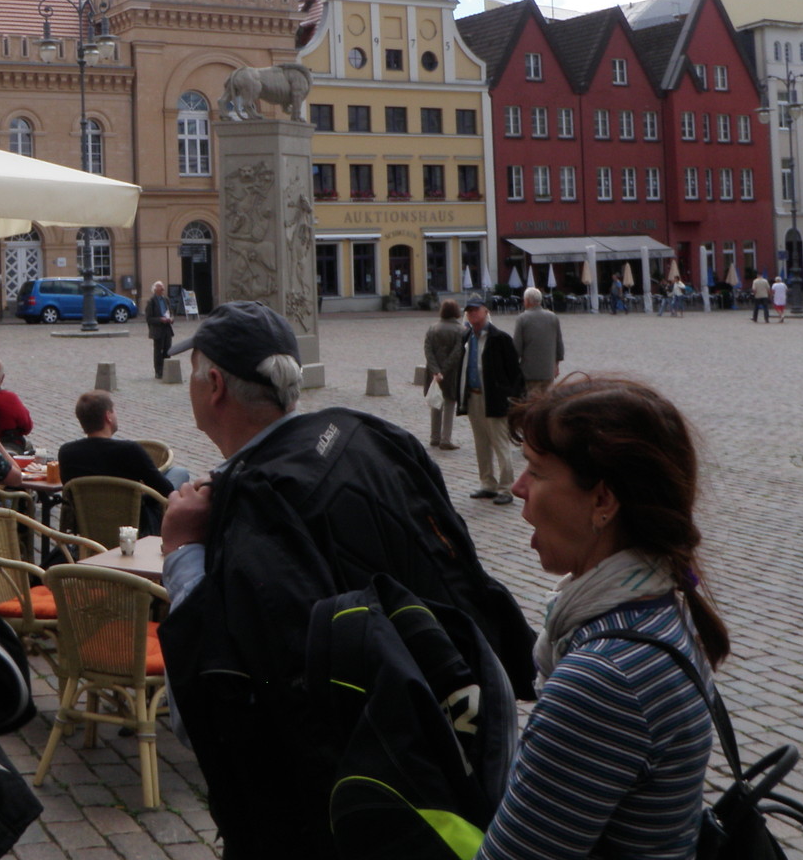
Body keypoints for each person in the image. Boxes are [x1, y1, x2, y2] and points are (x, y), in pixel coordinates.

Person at [157, 301, 535, 860]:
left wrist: (184, 552)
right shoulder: (372, 435)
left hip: (340, 809)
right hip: (452, 743)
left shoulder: (260, 505)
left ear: (214, 384)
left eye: (193, 372)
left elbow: (213, 705)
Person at [476, 377, 725, 860]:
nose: (518, 487)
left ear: (603, 501)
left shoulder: (604, 680)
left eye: (537, 471)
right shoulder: (663, 608)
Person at [57, 390, 183, 534]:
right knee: (180, 473)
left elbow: (70, 493)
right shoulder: (130, 451)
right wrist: (139, 494)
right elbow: (166, 491)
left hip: (88, 525)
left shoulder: (66, 452)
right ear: (108, 416)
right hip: (134, 527)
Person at [455, 296, 525, 504]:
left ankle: (506, 488)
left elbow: (515, 372)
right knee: (481, 443)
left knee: (500, 443)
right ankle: (487, 483)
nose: (472, 314)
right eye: (469, 311)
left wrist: (510, 396)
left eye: (476, 310)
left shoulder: (500, 338)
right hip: (473, 395)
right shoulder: (467, 336)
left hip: (494, 397)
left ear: (486, 312)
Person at [422, 296, 465, 450]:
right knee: (449, 403)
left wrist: (435, 371)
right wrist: (444, 370)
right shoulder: (461, 330)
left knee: (436, 403)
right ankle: (445, 438)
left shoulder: (432, 329)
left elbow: (428, 351)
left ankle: (434, 437)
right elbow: (457, 352)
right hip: (452, 373)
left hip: (433, 373)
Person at [512, 286, 564, 398]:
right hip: (548, 370)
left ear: (527, 301)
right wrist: (556, 365)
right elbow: (559, 344)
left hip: (529, 372)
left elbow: (517, 348)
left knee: (531, 404)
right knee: (546, 401)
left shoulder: (522, 319)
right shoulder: (553, 317)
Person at [146, 280, 175, 379]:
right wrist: (160, 319)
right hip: (158, 329)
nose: (163, 289)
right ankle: (158, 371)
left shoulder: (166, 299)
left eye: (163, 287)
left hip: (167, 328)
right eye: (160, 287)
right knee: (158, 351)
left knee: (168, 350)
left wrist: (171, 319)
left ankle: (167, 370)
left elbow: (170, 312)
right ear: (155, 290)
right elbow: (149, 318)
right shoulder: (151, 301)